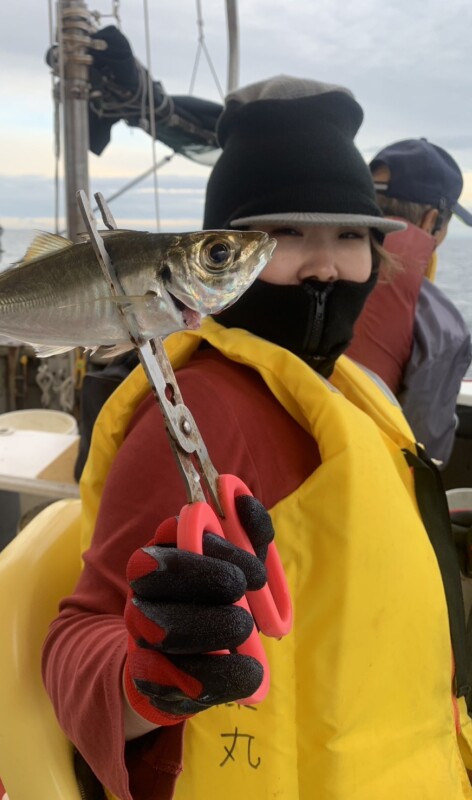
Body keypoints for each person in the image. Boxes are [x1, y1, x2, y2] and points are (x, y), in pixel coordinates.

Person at [42, 76, 472, 800]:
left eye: (349, 236)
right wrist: (153, 679)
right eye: (284, 237)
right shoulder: (202, 414)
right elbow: (80, 637)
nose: (326, 265)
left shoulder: (347, 389)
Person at [347, 138, 472, 465]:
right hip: (364, 490)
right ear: (433, 220)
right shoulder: (441, 325)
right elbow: (427, 453)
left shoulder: (309, 270)